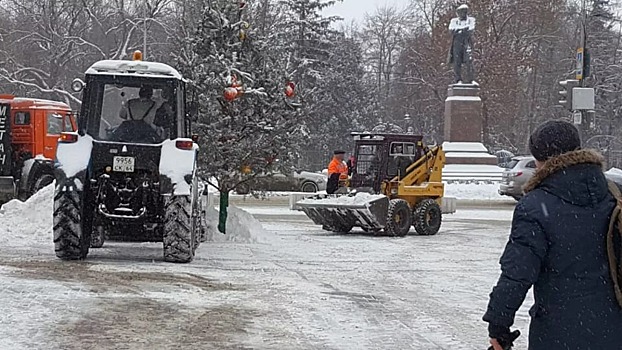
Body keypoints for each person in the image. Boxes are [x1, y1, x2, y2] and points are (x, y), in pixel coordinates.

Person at [483, 120, 622, 350]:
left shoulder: (536, 206)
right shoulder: (612, 194)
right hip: (614, 328)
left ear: (539, 158)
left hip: (559, 332)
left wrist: (498, 324)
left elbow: (517, 274)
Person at [448, 4, 475, 83]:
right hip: (456, 43)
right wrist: (464, 29)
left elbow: (471, 30)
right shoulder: (454, 21)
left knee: (469, 60)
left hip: (466, 42)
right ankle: (458, 79)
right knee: (457, 61)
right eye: (462, 11)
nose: (464, 13)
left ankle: (471, 79)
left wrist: (458, 31)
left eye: (465, 11)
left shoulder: (471, 20)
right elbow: (451, 30)